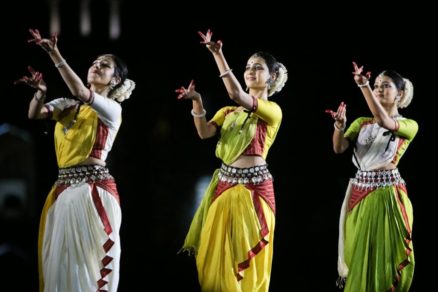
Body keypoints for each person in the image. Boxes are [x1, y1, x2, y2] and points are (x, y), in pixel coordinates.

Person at [14, 28, 135, 292]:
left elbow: (82, 92)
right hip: (63, 192)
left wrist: (54, 52)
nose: (97, 66)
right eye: (95, 63)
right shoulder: (67, 105)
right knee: (60, 265)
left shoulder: (112, 110)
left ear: (115, 80)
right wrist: (40, 92)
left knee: (90, 268)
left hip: (94, 192)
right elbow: (35, 114)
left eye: (105, 65)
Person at [176, 29, 288, 292]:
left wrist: (218, 54)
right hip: (223, 189)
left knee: (244, 261)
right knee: (212, 259)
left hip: (253, 194)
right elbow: (204, 132)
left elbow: (237, 94)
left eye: (257, 68)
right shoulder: (228, 112)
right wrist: (197, 102)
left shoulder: (272, 111)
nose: (250, 71)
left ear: (271, 77)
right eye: (248, 67)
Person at [326, 61, 417, 291]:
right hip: (358, 196)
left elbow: (384, 120)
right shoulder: (361, 123)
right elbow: (339, 148)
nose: (378, 88)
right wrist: (339, 126)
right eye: (376, 85)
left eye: (385, 85)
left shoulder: (408, 125)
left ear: (400, 94)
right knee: (356, 252)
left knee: (383, 257)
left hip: (387, 198)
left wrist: (363, 86)